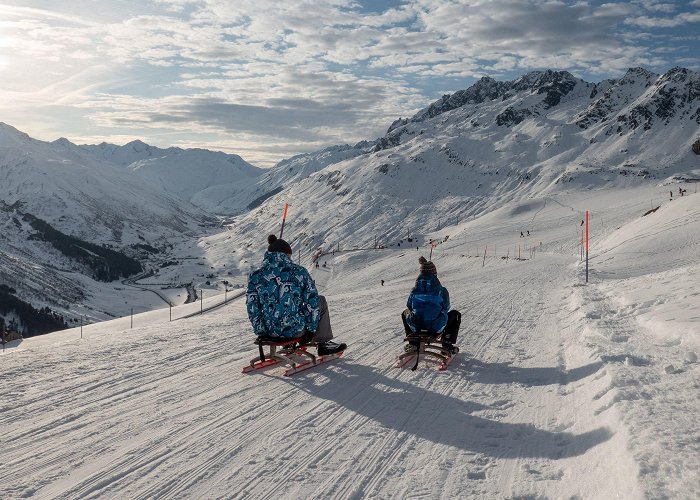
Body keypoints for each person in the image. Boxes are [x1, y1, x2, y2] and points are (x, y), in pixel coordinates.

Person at [246, 235, 346, 355]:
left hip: (269, 333)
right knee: (320, 301)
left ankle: (287, 342)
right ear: (287, 254)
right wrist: (310, 331)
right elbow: (312, 302)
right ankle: (323, 344)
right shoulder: (299, 272)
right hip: (295, 331)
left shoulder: (256, 275)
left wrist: (261, 332)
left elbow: (252, 307)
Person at [401, 257, 461, 354]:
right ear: (434, 274)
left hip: (416, 326)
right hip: (435, 328)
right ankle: (447, 344)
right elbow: (446, 307)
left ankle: (413, 342)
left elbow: (409, 306)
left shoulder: (414, 291)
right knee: (455, 314)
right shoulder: (441, 290)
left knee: (405, 313)